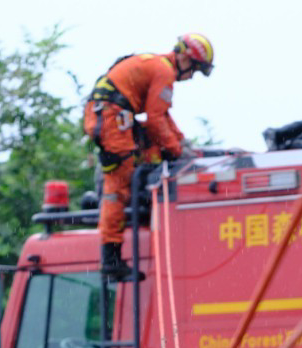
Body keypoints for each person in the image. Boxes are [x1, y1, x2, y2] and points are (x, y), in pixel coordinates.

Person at [83, 33, 214, 280]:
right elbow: (155, 121)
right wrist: (177, 151)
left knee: (151, 153)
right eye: (195, 70)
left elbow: (161, 115)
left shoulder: (157, 66)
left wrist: (181, 143)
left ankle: (139, 208)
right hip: (112, 120)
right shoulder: (164, 72)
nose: (191, 76)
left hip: (113, 116)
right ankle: (111, 259)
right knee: (118, 185)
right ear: (186, 59)